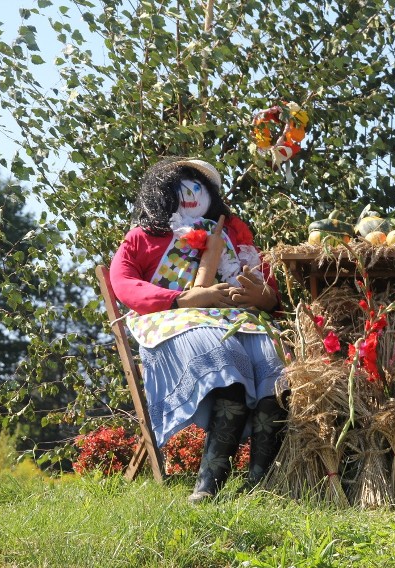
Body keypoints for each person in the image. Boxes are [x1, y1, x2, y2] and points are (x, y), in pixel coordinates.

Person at [110, 157, 287, 503]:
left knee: (275, 364)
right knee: (223, 358)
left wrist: (262, 296)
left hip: (239, 317)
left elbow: (268, 286)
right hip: (171, 316)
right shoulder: (142, 238)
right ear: (162, 193)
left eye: (199, 187)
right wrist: (183, 298)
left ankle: (261, 484)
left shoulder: (234, 233)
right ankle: (210, 484)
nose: (192, 194)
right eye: (183, 187)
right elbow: (124, 283)